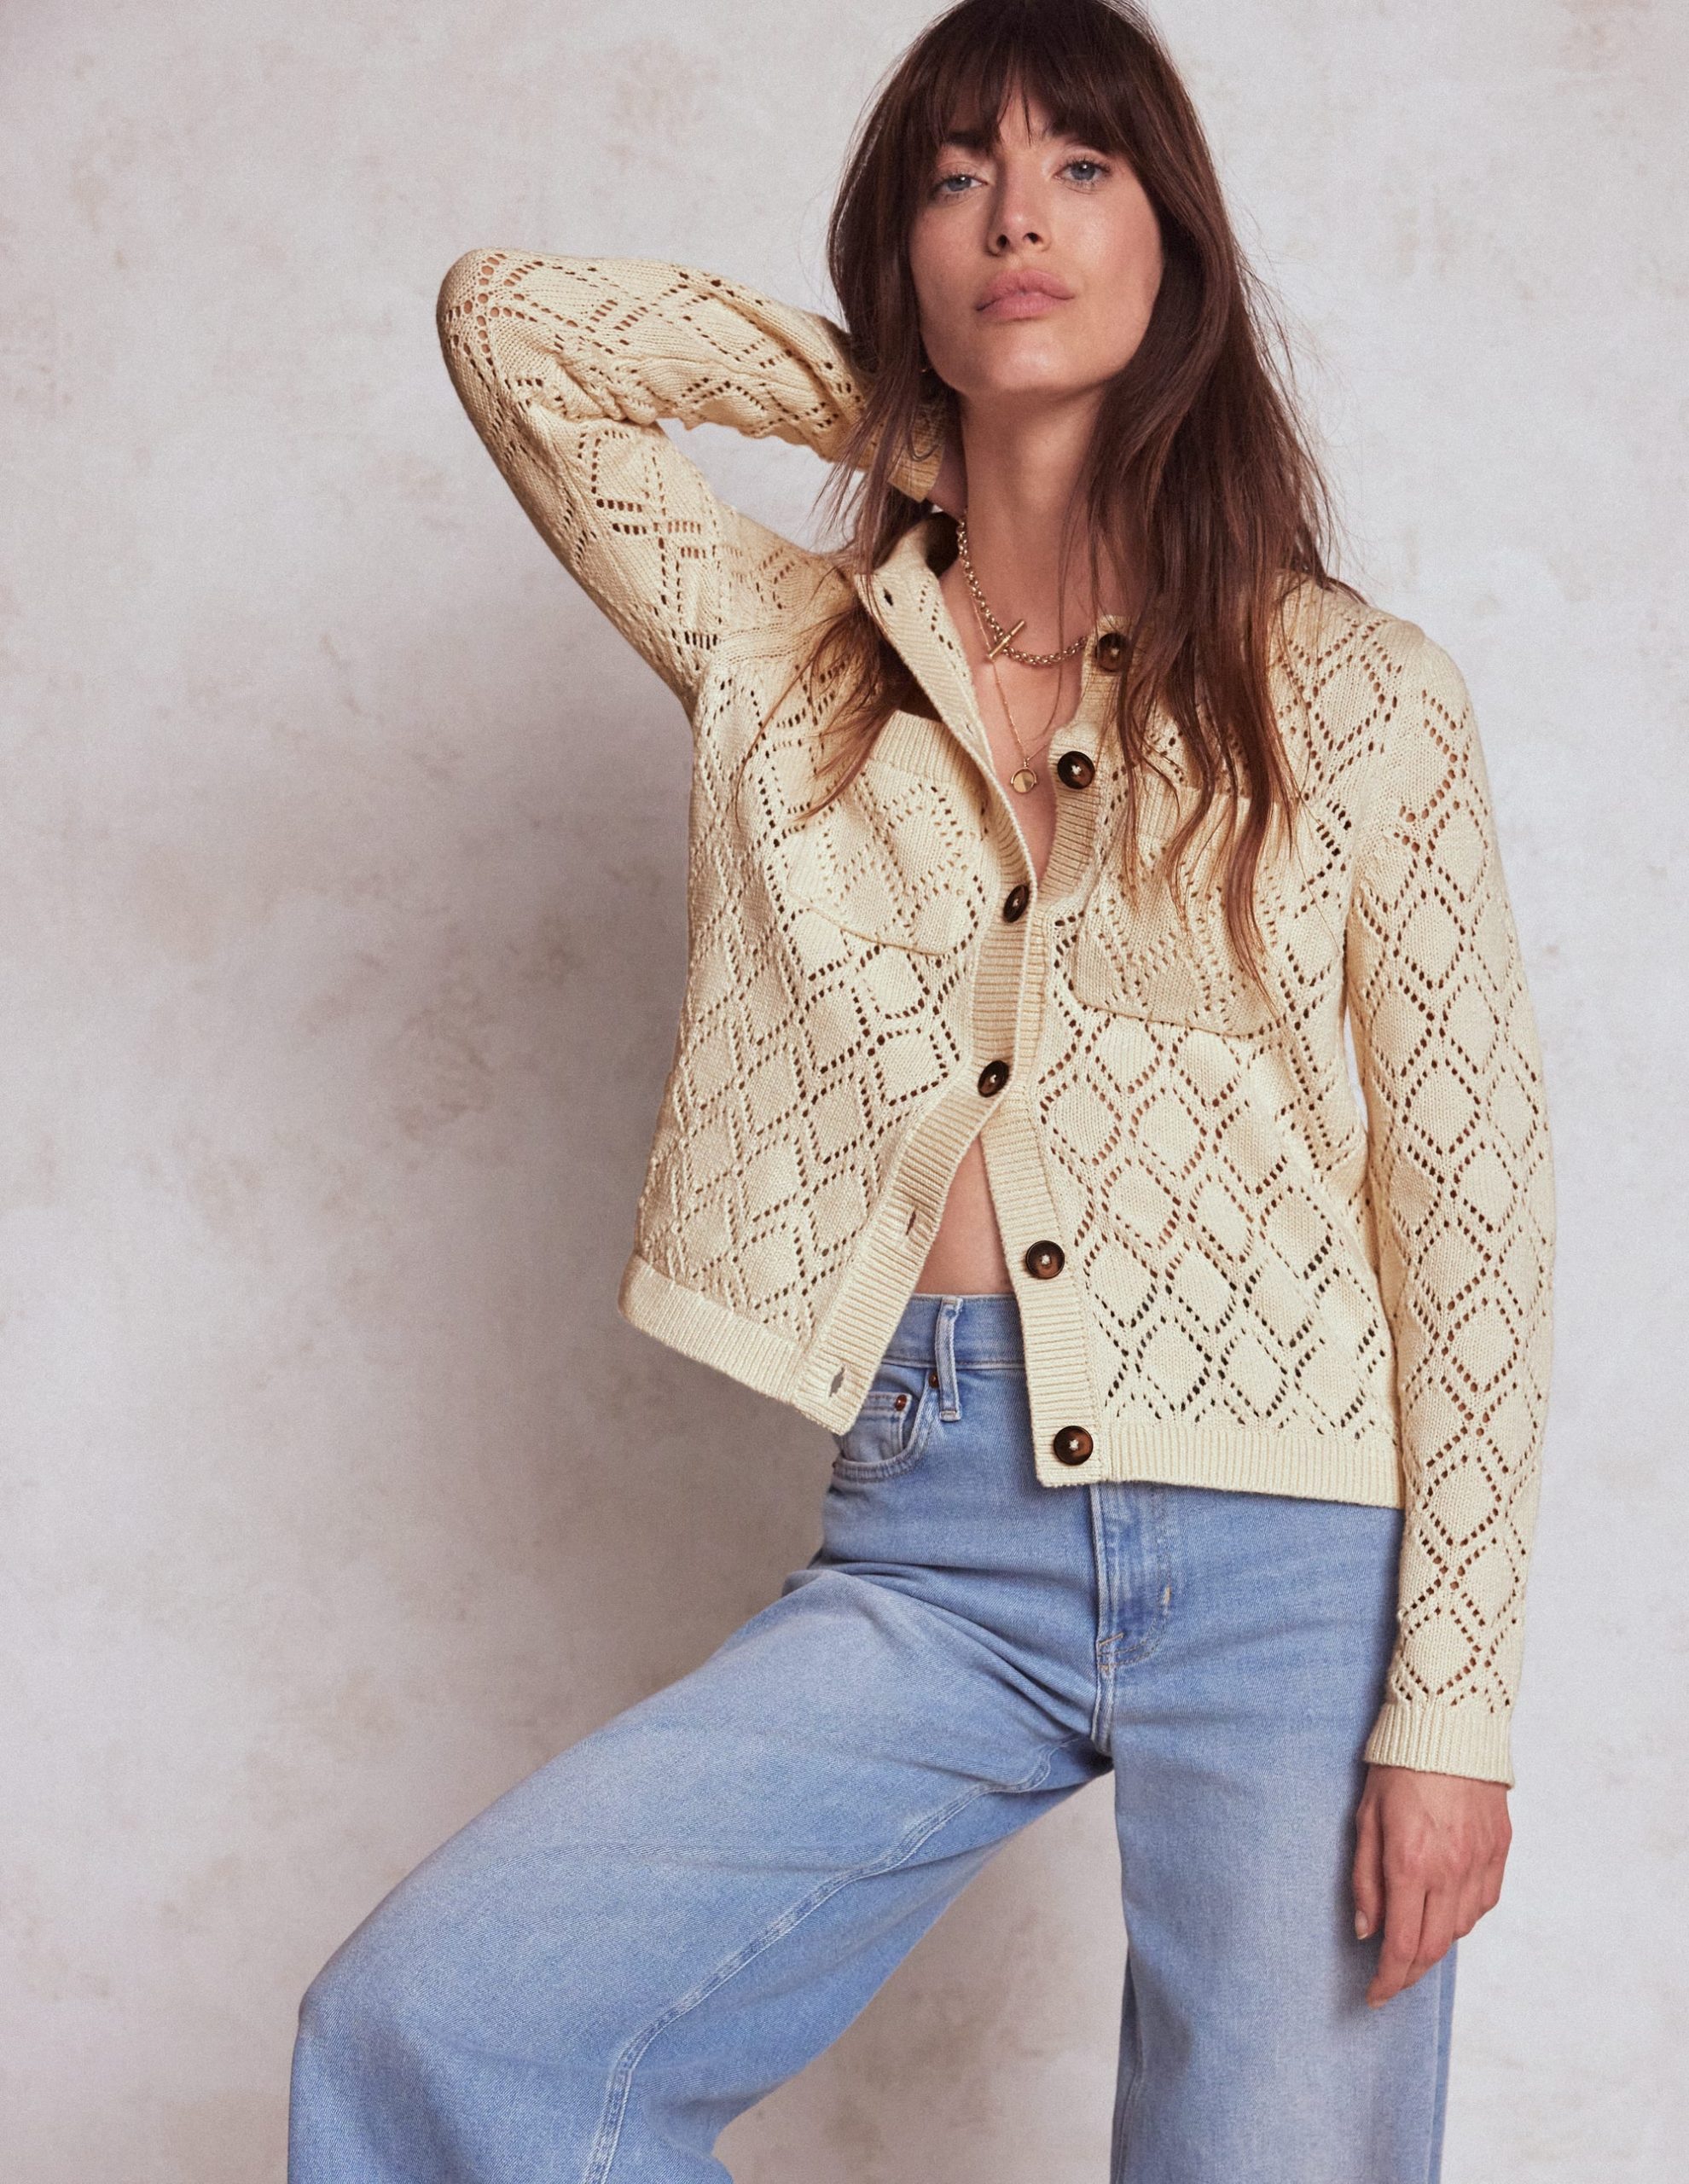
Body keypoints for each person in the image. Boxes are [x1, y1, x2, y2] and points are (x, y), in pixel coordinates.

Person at [287, 1, 1556, 2176]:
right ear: (906, 258)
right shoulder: (789, 656)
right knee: (444, 2023)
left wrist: (1452, 1704)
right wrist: (892, 402)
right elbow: (513, 329)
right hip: (937, 1517)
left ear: (1176, 246)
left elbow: (1476, 1209)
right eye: (959, 179)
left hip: (1295, 1552)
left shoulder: (1359, 693)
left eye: (1080, 168)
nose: (1016, 218)